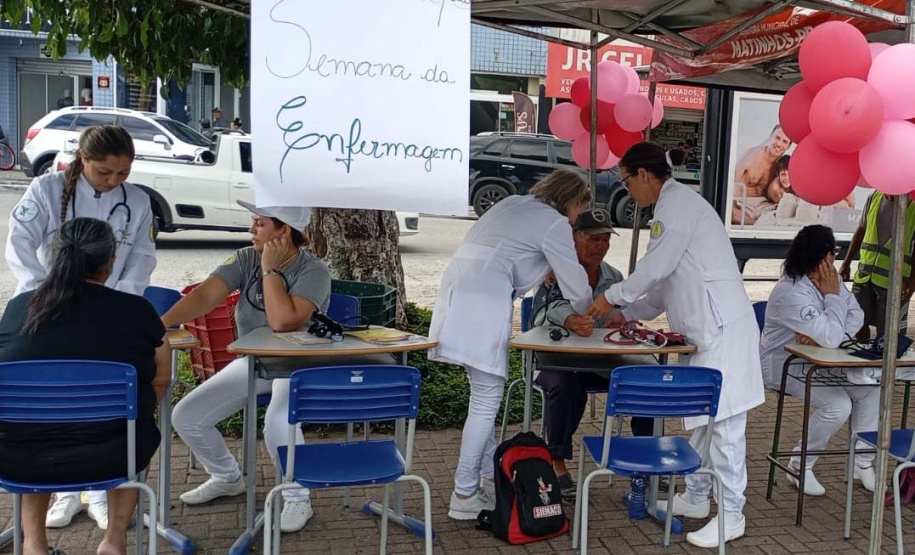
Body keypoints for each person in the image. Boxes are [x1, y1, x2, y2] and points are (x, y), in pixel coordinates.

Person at [589, 142, 765, 549]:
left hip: (722, 331)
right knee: (703, 422)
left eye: (627, 181)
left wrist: (612, 297)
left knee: (724, 429)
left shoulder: (677, 208)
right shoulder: (674, 208)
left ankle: (733, 513)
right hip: (705, 334)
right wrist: (627, 314)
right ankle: (698, 496)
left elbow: (654, 270)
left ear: (645, 175)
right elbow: (664, 286)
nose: (627, 190)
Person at [5, 125, 157, 530]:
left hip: (108, 308)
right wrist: (48, 293)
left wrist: (119, 297)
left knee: (97, 402)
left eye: (123, 173)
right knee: (56, 403)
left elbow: (142, 255)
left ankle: (100, 493)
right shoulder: (46, 190)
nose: (115, 181)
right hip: (46, 309)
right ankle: (67, 493)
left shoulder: (137, 201)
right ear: (83, 160)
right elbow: (19, 243)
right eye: (105, 172)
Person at [429, 169, 593, 520]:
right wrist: (588, 312)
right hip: (482, 300)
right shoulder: (555, 222)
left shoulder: (514, 204)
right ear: (572, 201)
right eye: (580, 210)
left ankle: (488, 478)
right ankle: (463, 493)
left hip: (458, 290)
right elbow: (576, 284)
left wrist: (543, 266)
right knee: (487, 400)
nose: (578, 218)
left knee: (481, 395)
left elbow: (511, 251)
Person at [0, 218, 170, 555]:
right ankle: (115, 539)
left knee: (31, 429)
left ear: (55, 259)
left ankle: (34, 544)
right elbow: (161, 378)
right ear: (109, 264)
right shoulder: (135, 310)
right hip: (114, 455)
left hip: (19, 459)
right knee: (133, 432)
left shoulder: (19, 308)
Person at [164, 202, 331, 534]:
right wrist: (160, 324)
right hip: (254, 362)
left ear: (284, 231)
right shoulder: (245, 257)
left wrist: (269, 271)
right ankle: (227, 477)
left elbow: (283, 322)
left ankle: (298, 496)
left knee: (277, 423)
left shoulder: (314, 270)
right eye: (252, 222)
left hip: (296, 366)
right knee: (187, 415)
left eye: (260, 224)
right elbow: (206, 295)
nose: (251, 230)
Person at [531, 207, 648, 499]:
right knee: (563, 385)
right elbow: (541, 314)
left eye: (606, 239)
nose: (601, 246)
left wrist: (622, 320)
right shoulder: (554, 273)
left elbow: (623, 317)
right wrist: (570, 320)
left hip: (603, 361)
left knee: (643, 381)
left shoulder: (614, 277)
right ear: (574, 238)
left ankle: (645, 463)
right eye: (593, 239)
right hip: (560, 361)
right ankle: (556, 463)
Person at [760, 225, 877, 496]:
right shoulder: (790, 292)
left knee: (871, 389)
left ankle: (862, 462)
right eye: (832, 254)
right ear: (824, 257)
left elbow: (856, 315)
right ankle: (800, 465)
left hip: (822, 360)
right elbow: (833, 334)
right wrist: (832, 303)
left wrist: (827, 334)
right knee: (838, 406)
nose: (833, 261)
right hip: (784, 365)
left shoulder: (829, 277)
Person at [839, 190, 915, 342]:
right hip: (865, 276)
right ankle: (860, 359)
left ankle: (886, 364)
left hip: (895, 281)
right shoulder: (874, 197)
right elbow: (861, 230)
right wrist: (846, 263)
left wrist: (912, 283)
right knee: (857, 323)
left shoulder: (912, 205)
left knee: (889, 334)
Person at [732, 125, 792, 225]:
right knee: (729, 212)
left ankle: (758, 224)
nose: (778, 143)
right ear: (770, 137)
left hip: (764, 206)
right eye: (777, 138)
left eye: (784, 141)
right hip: (741, 203)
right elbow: (728, 182)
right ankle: (757, 224)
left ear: (788, 146)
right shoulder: (751, 154)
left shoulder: (781, 166)